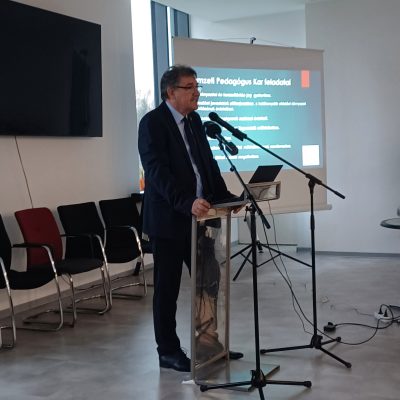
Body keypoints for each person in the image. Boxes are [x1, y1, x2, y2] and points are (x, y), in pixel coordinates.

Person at [138, 65, 241, 372]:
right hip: (169, 221)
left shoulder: (194, 121)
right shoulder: (152, 123)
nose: (196, 92)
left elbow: (206, 164)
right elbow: (156, 172)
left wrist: (225, 197)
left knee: (208, 283)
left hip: (202, 220)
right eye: (190, 87)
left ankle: (208, 341)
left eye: (197, 86)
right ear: (171, 92)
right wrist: (187, 203)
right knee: (167, 290)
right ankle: (168, 351)